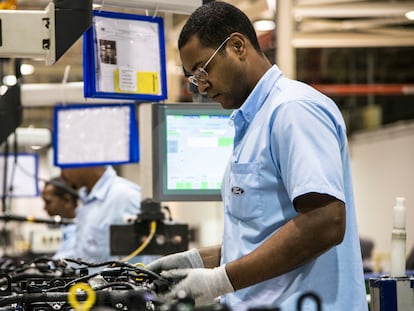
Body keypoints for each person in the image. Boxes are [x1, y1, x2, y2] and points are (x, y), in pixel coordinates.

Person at [146, 2, 368, 310]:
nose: (201, 83)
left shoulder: (292, 110)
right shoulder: (252, 123)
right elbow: (259, 240)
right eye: (193, 77)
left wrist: (218, 281)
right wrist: (198, 260)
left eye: (202, 69)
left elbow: (325, 221)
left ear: (238, 46)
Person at [58, 165, 142, 263]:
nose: (62, 173)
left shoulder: (126, 197)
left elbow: (147, 261)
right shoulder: (87, 202)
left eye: (65, 165)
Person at [41, 176, 78, 259]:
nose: (45, 208)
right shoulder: (65, 228)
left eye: (48, 202)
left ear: (66, 200)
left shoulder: (80, 231)